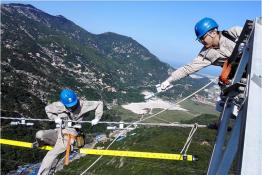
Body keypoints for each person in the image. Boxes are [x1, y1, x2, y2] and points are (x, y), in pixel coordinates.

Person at [159, 17, 242, 92]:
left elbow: (254, 36)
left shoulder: (234, 33)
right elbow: (187, 69)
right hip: (240, 74)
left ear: (213, 33)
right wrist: (168, 80)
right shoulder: (206, 55)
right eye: (200, 40)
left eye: (203, 38)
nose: (202, 41)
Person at [35, 89, 103, 175]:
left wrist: (97, 118)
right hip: (58, 131)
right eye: (69, 106)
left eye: (73, 105)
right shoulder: (58, 105)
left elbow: (99, 104)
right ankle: (43, 144)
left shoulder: (83, 104)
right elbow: (47, 109)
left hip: (71, 133)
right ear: (63, 103)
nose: (72, 107)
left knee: (52, 154)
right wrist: (55, 118)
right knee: (39, 134)